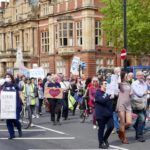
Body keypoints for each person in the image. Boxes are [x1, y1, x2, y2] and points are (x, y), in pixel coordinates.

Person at [1, 73, 22, 139]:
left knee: (15, 120)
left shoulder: (15, 85)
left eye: (9, 77)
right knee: (9, 121)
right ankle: (11, 134)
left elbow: (20, 93)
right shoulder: (3, 85)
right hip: (7, 106)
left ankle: (19, 128)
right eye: (6, 77)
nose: (8, 78)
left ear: (11, 78)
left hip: (16, 105)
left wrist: (23, 99)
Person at [95, 80, 114, 149]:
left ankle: (105, 138)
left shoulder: (109, 92)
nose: (107, 84)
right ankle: (101, 143)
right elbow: (101, 100)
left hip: (109, 113)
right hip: (101, 113)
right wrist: (108, 94)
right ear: (101, 85)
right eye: (105, 83)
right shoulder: (98, 92)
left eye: (107, 83)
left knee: (111, 126)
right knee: (101, 129)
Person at [131, 71, 148, 142]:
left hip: (144, 103)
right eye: (140, 75)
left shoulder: (144, 83)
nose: (142, 77)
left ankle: (136, 126)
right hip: (136, 103)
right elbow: (139, 94)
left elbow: (145, 93)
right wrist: (145, 93)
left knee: (142, 119)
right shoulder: (134, 84)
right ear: (137, 76)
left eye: (143, 75)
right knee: (142, 118)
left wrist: (146, 93)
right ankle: (139, 136)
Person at [116, 71, 132, 144]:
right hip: (121, 103)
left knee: (129, 122)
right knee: (122, 122)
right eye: (126, 75)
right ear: (123, 77)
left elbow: (131, 92)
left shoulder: (128, 83)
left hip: (128, 104)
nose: (127, 76)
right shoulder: (120, 84)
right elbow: (118, 82)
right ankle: (124, 138)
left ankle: (120, 131)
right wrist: (118, 74)